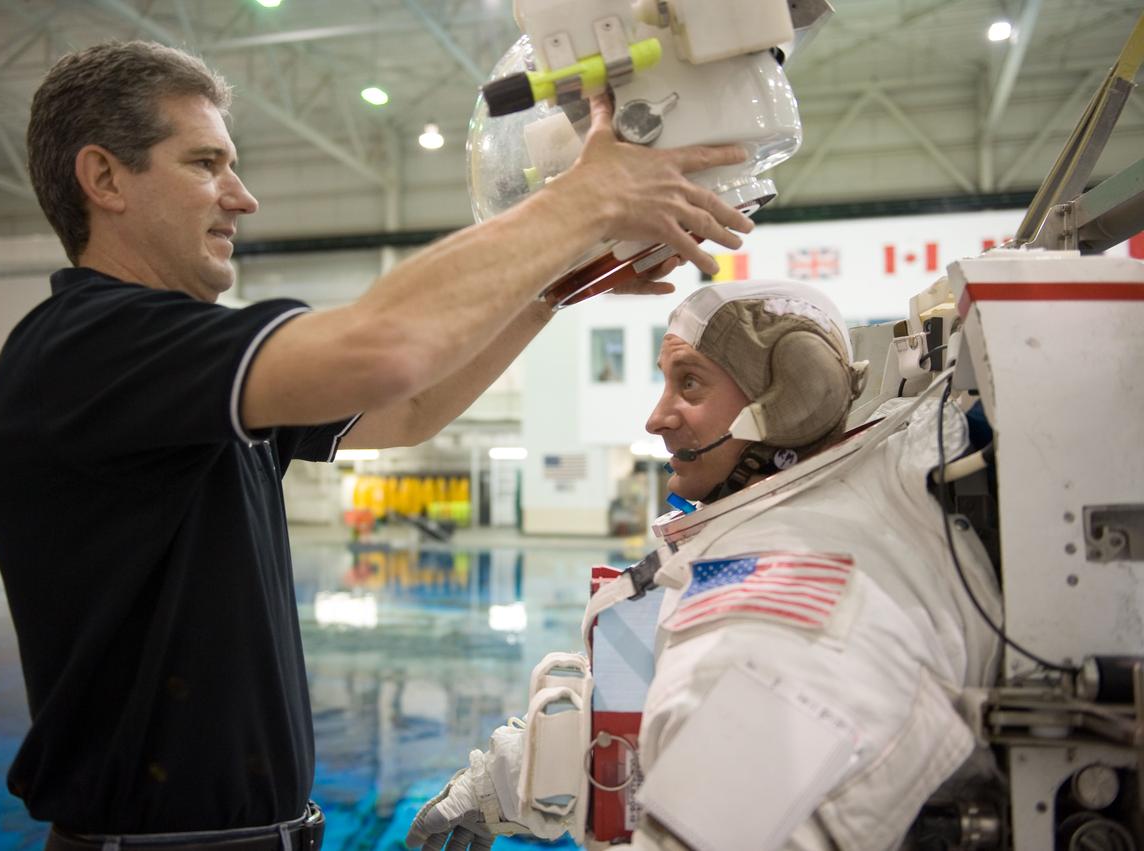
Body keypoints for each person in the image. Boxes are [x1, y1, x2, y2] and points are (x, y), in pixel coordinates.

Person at [0, 39, 755, 851]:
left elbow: (408, 406)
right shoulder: (87, 350)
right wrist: (578, 205)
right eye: (205, 163)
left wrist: (556, 288)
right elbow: (384, 349)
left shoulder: (176, 378)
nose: (242, 198)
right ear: (103, 179)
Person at [407, 281, 1003, 851]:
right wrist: (516, 778)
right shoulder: (818, 518)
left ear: (792, 401)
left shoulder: (786, 604)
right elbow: (673, 727)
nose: (657, 417)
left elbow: (744, 784)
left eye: (689, 385)